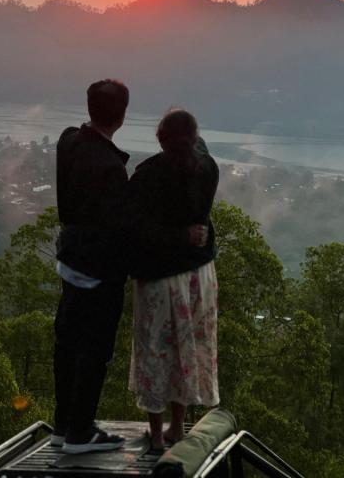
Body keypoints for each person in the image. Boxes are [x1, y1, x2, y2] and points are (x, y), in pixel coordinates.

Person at [127, 109, 220, 453]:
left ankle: (155, 434)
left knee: (155, 349)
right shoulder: (208, 169)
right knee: (187, 348)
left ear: (161, 140)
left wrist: (176, 236)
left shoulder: (147, 176)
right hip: (198, 276)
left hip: (159, 278)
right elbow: (200, 150)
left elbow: (134, 229)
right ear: (195, 139)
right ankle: (177, 427)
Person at [52, 79, 131, 454]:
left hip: (69, 259)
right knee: (94, 350)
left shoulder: (69, 141)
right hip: (99, 269)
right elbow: (115, 228)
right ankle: (80, 432)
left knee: (67, 342)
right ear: (122, 116)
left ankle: (63, 423)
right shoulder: (111, 167)